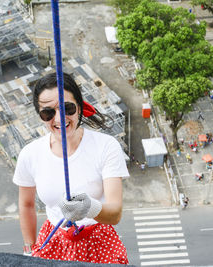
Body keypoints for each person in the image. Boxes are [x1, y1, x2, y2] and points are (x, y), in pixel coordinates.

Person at [13, 73, 129, 264]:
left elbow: (115, 213)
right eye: (48, 113)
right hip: (54, 242)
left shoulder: (106, 146)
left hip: (98, 241)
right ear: (40, 116)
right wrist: (29, 249)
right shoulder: (30, 154)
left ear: (80, 107)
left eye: (67, 108)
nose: (59, 119)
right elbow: (26, 205)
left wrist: (89, 208)